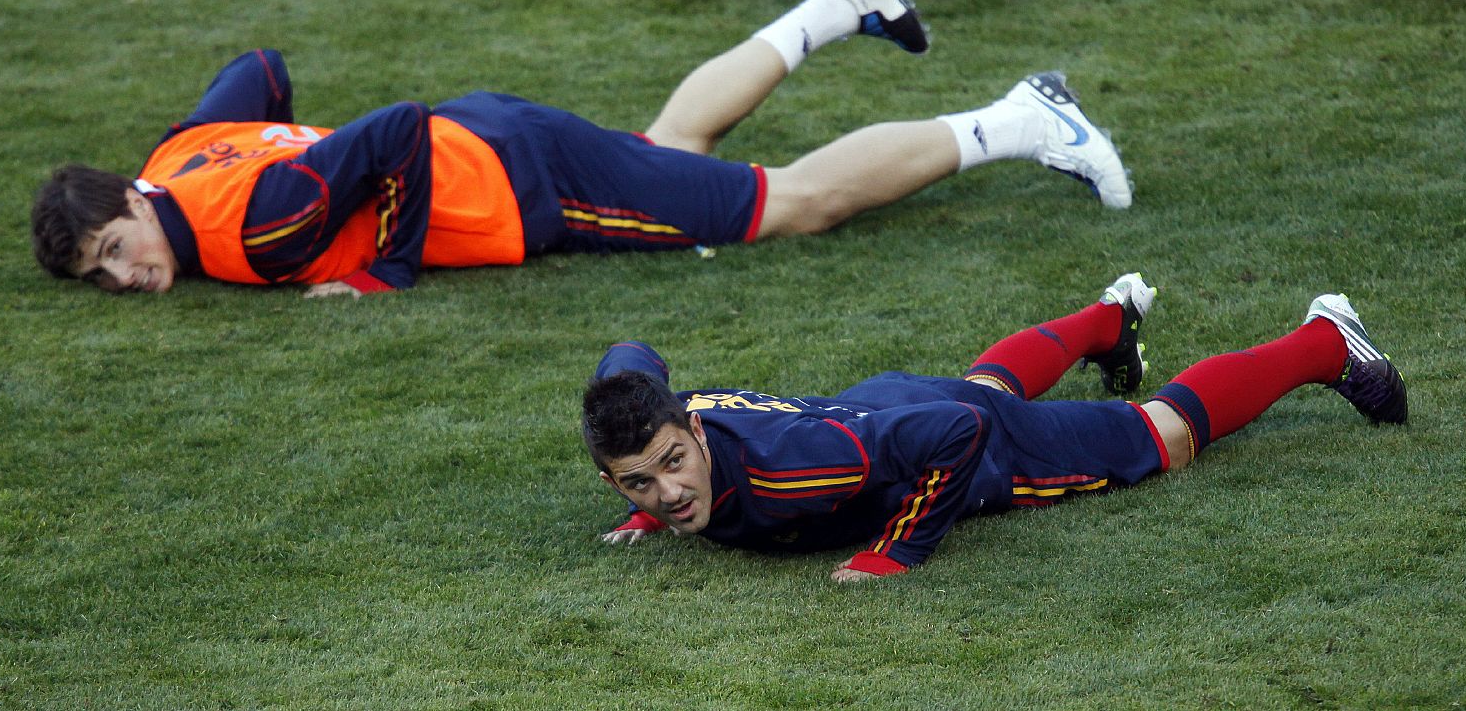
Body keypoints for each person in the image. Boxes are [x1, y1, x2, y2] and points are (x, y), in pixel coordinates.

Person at [31, 0, 1134, 298]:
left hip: (523, 181)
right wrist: (295, 141)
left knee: (786, 207)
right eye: (102, 272)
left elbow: (395, 128)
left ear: (134, 202)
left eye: (116, 247)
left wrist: (388, 270)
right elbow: (257, 68)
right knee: (671, 157)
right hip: (501, 139)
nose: (125, 275)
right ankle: (833, 4)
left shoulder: (253, 235)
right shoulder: (175, 158)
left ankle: (1019, 120)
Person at [581, 274, 1408, 582]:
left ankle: (1325, 339)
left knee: (1160, 437)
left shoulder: (797, 471)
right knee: (982, 385)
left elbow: (950, 433)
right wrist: (647, 507)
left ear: (691, 424)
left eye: (673, 464)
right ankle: (1109, 319)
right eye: (641, 480)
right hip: (876, 405)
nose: (672, 487)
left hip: (955, 445)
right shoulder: (643, 411)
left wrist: (896, 549)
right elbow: (628, 357)